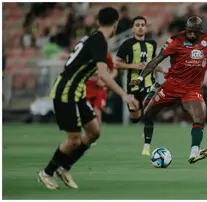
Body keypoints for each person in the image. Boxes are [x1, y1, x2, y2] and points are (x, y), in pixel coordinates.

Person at [130, 16, 207, 164]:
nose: (191, 35)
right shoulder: (175, 40)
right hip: (171, 87)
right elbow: (156, 61)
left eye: (195, 32)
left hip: (192, 89)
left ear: (201, 31)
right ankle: (147, 143)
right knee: (148, 114)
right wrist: (140, 79)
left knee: (200, 116)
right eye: (189, 31)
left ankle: (194, 152)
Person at [38, 7, 138, 190]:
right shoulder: (99, 41)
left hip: (77, 91)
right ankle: (47, 172)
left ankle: (64, 167)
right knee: (74, 139)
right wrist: (124, 95)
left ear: (98, 22)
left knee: (94, 132)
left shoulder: (93, 38)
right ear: (116, 25)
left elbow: (105, 65)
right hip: (66, 91)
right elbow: (104, 74)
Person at [115, 16, 167, 156]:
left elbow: (153, 63)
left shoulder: (152, 44)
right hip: (133, 85)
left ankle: (146, 146)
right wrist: (133, 65)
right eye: (137, 25)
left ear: (145, 27)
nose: (140, 27)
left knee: (148, 113)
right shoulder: (126, 44)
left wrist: (163, 70)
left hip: (149, 84)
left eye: (142, 25)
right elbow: (117, 63)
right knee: (135, 116)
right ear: (133, 28)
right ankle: (137, 118)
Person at [86, 53, 117, 125]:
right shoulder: (84, 52)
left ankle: (96, 134)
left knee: (97, 112)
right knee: (86, 113)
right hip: (85, 87)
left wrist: (106, 80)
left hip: (100, 89)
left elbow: (114, 70)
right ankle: (89, 133)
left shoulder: (106, 54)